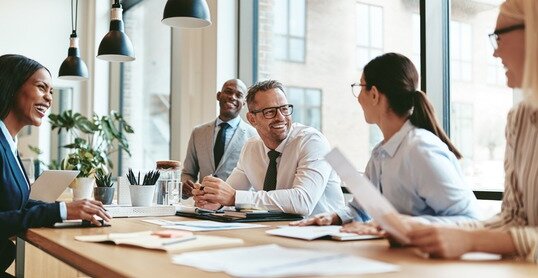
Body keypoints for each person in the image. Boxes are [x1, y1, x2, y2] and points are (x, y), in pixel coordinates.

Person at [405, 0, 538, 262]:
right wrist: (430, 232)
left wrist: (472, 240)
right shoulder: (520, 119)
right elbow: (512, 218)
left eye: (498, 37)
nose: (494, 54)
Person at [292, 53, 479, 230]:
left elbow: (469, 219)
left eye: (360, 87)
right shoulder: (380, 153)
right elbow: (361, 209)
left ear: (374, 94)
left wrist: (403, 224)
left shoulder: (420, 150)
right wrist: (334, 217)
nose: (357, 97)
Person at [0, 54, 111, 273]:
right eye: (41, 87)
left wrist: (69, 210)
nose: (49, 98)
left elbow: (15, 206)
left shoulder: (9, 143)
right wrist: (59, 211)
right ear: (11, 85)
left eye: (51, 91)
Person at [192, 80, 346, 216]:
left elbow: (302, 201)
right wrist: (213, 199)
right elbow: (229, 192)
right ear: (252, 119)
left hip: (323, 236)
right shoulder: (251, 148)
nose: (281, 117)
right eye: (270, 112)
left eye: (284, 109)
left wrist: (234, 198)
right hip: (277, 232)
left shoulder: (312, 141)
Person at [181, 79, 257, 197]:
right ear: (218, 95)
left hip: (235, 210)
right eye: (228, 91)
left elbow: (256, 180)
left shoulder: (254, 136)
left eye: (239, 95)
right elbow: (188, 172)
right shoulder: (198, 133)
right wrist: (184, 184)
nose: (232, 97)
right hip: (202, 206)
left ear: (244, 104)